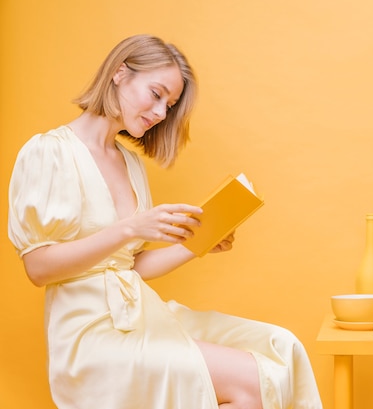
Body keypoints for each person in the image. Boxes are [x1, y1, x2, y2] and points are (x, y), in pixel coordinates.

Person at [8, 34, 323, 409]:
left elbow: (130, 266)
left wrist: (197, 244)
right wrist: (130, 228)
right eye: (156, 94)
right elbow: (38, 268)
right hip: (91, 337)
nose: (160, 113)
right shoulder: (49, 152)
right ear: (120, 74)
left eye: (169, 105)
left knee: (281, 346)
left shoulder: (131, 163)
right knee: (249, 382)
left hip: (142, 315)